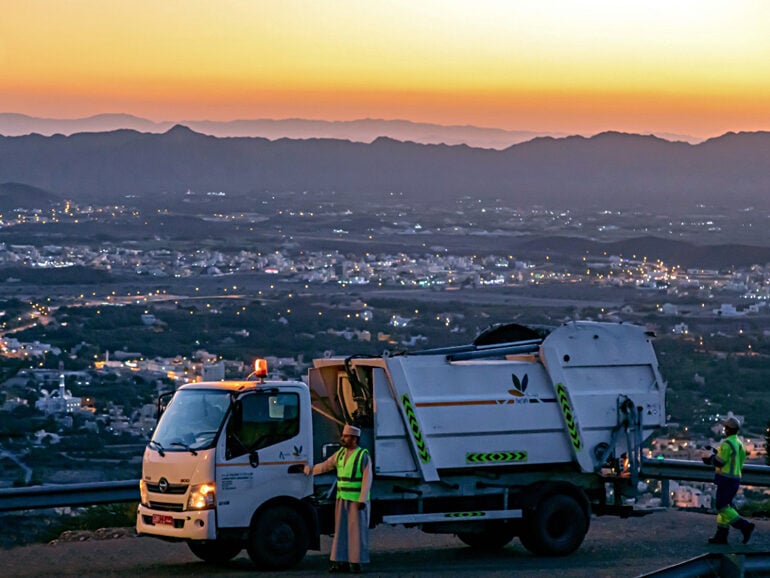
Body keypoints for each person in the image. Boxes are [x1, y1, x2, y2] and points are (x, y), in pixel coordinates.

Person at [305, 424, 372, 574]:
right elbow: (325, 466)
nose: (343, 438)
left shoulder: (362, 455)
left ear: (354, 439)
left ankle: (356, 563)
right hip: (342, 499)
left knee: (356, 533)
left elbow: (367, 479)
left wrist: (362, 500)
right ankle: (339, 561)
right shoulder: (340, 454)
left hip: (356, 502)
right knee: (341, 532)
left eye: (346, 436)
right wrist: (308, 470)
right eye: (343, 436)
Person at [701, 415, 755, 545]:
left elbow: (720, 461)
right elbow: (732, 459)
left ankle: (745, 526)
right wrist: (715, 452)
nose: (724, 429)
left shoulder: (727, 444)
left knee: (721, 506)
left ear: (729, 429)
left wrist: (708, 459)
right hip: (735, 479)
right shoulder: (739, 443)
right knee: (726, 506)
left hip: (725, 479)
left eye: (725, 427)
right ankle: (721, 535)